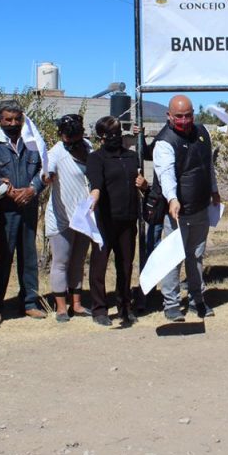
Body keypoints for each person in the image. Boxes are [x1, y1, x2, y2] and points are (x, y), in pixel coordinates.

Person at [151, 94, 221, 321]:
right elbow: (166, 175)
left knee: (197, 255)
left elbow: (207, 165)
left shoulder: (202, 132)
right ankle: (171, 303)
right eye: (179, 116)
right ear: (169, 116)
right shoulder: (164, 141)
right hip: (177, 212)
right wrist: (172, 199)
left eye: (188, 115)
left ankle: (196, 300)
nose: (184, 119)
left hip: (201, 207)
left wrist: (214, 189)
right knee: (174, 258)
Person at [0, 100, 48, 321]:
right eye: (8, 119)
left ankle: (29, 302)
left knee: (28, 257)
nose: (13, 123)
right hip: (4, 211)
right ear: (0, 120)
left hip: (28, 208)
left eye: (17, 119)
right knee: (2, 258)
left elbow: (44, 169)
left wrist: (32, 189)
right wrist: (6, 190)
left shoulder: (33, 142)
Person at [87, 116, 148, 327]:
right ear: (101, 137)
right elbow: (96, 182)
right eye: (110, 135)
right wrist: (94, 195)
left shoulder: (131, 157)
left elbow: (141, 183)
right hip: (105, 220)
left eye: (117, 134)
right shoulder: (96, 158)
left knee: (125, 265)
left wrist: (144, 184)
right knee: (99, 266)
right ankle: (99, 309)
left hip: (128, 218)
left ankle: (125, 306)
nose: (115, 138)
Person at [44, 113, 93, 322]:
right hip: (62, 216)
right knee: (61, 261)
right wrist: (48, 176)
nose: (71, 141)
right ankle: (61, 307)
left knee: (78, 262)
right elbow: (47, 172)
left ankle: (77, 304)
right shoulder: (55, 152)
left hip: (84, 215)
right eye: (67, 137)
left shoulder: (89, 147)